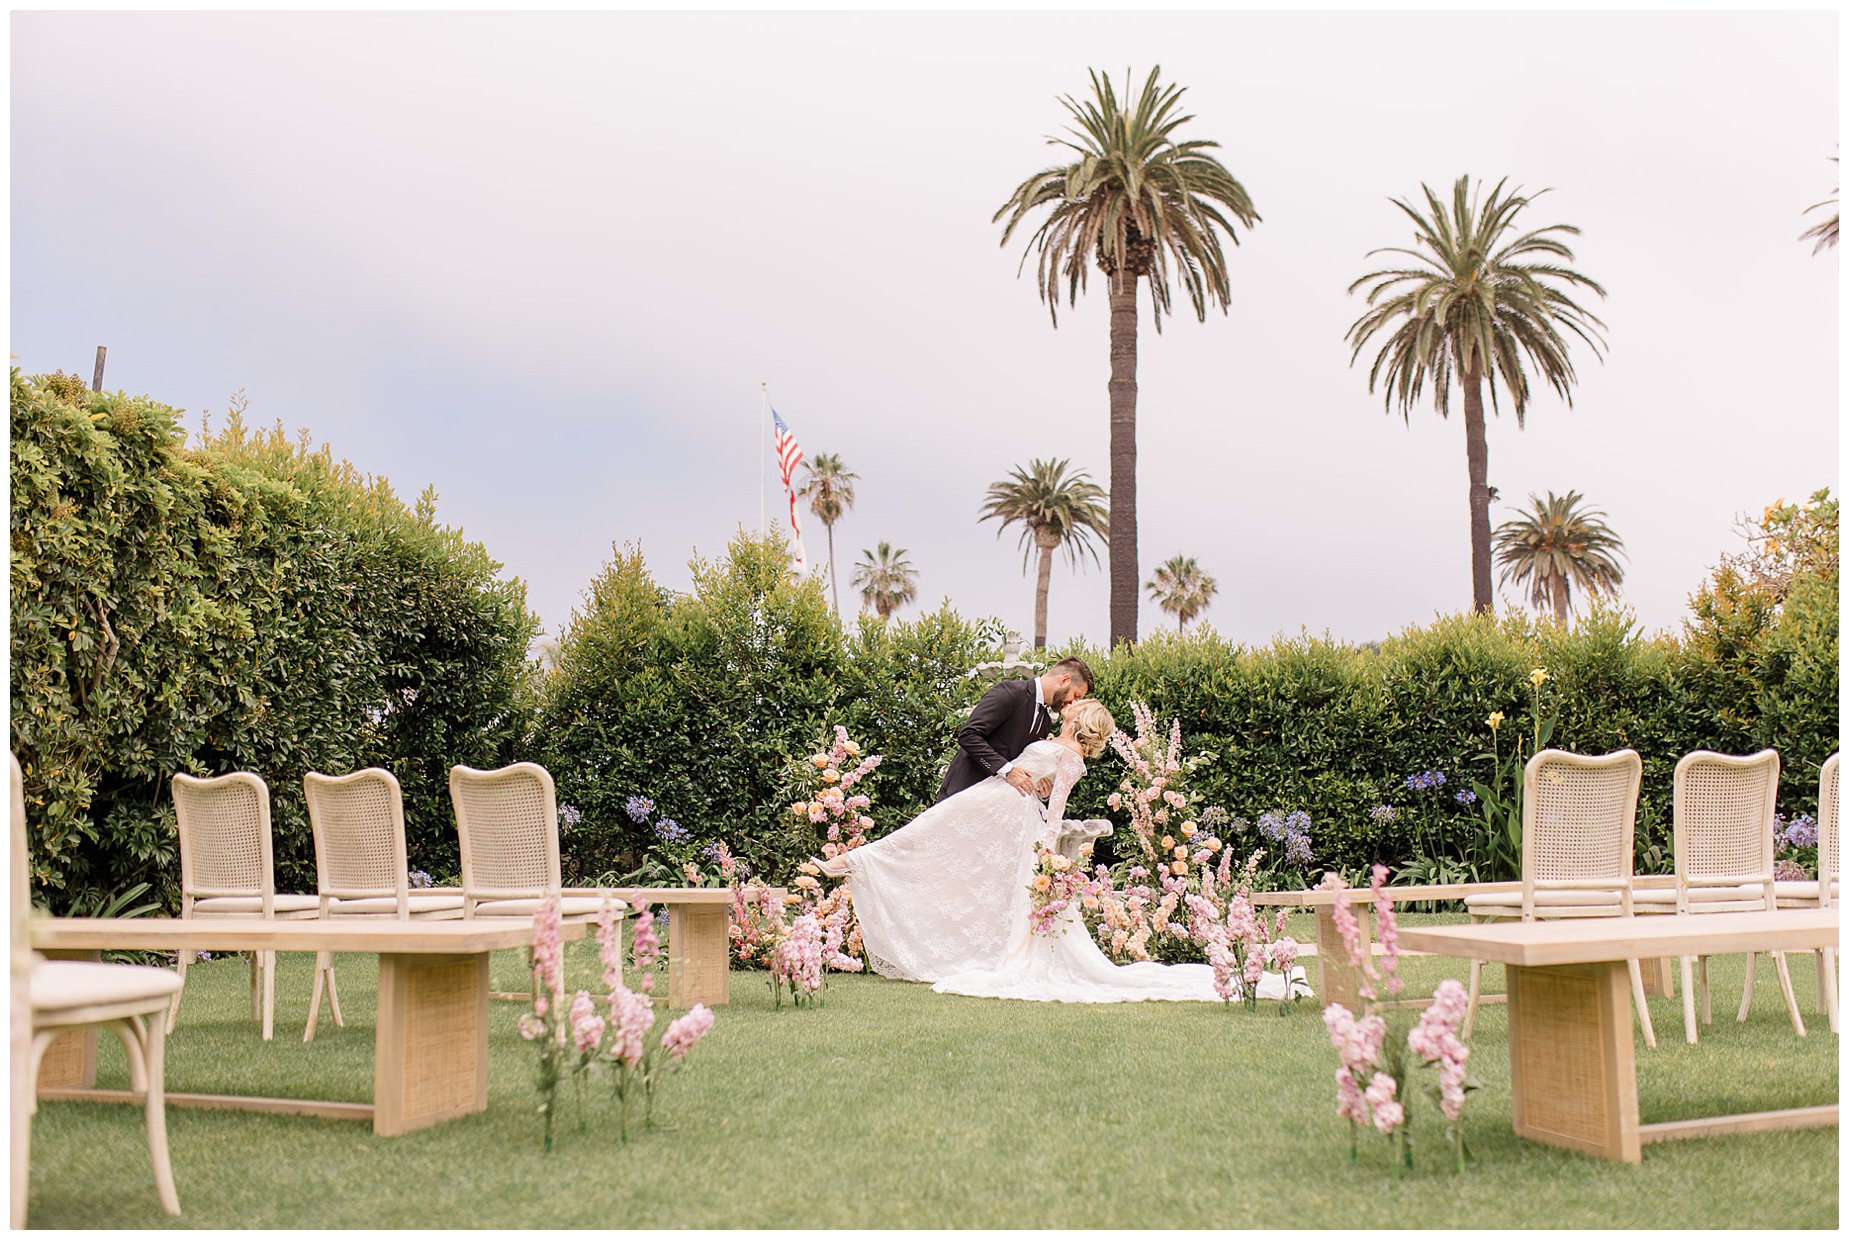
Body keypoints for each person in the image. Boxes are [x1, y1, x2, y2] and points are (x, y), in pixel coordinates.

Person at [826, 699, 1311, 1005]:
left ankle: (856, 862)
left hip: (1012, 819)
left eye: (1079, 706)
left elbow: (1054, 809)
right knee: (932, 830)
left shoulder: (1071, 757)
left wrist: (1045, 854)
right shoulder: (1046, 739)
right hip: (991, 805)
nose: (1072, 704)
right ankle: (860, 861)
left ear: (1082, 721)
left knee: (934, 831)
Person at [934, 657, 1092, 804]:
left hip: (994, 806)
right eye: (1075, 695)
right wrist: (1007, 771)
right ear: (1064, 680)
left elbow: (1022, 764)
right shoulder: (1011, 692)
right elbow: (968, 735)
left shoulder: (1045, 722)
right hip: (961, 795)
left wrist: (1040, 788)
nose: (1073, 702)